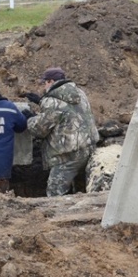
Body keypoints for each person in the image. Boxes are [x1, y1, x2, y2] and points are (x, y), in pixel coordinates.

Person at [25, 67, 99, 197]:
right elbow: (67, 111)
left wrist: (30, 118)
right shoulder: (80, 93)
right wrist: (41, 101)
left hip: (67, 155)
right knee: (82, 192)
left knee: (55, 194)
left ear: (51, 81)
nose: (44, 86)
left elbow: (40, 130)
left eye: (45, 82)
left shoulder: (52, 102)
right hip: (88, 148)